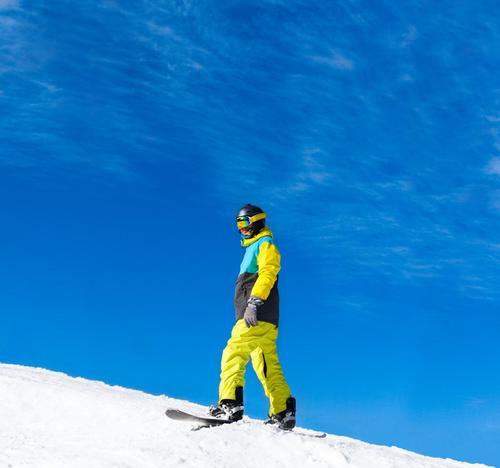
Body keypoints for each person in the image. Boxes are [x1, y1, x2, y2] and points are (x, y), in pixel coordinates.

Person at [208, 204, 296, 430]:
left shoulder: (264, 244)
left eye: (244, 223)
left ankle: (230, 403)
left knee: (234, 351)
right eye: (238, 224)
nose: (241, 229)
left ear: (256, 221)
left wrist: (254, 302)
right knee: (265, 362)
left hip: (255, 313)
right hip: (267, 318)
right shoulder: (254, 247)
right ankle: (282, 410)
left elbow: (268, 272)